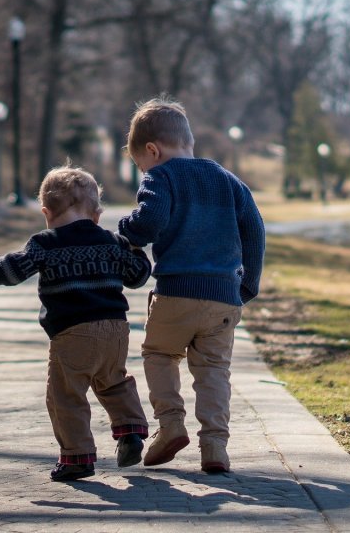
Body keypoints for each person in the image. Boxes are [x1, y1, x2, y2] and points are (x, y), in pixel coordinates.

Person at [0, 165, 153, 482]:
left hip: (72, 332)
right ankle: (131, 431)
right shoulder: (111, 242)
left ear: (46, 212)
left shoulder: (44, 244)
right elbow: (138, 276)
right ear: (96, 214)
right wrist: (137, 251)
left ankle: (77, 457)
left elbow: (12, 270)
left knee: (65, 395)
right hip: (115, 330)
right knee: (114, 381)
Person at [119, 95, 265, 473]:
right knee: (214, 370)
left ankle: (170, 425)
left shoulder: (160, 176)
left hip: (176, 292)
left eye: (140, 164)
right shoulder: (228, 180)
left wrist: (126, 229)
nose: (142, 170)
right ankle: (215, 446)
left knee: (159, 355)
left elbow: (148, 223)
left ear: (153, 150)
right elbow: (255, 230)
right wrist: (248, 284)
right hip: (223, 297)